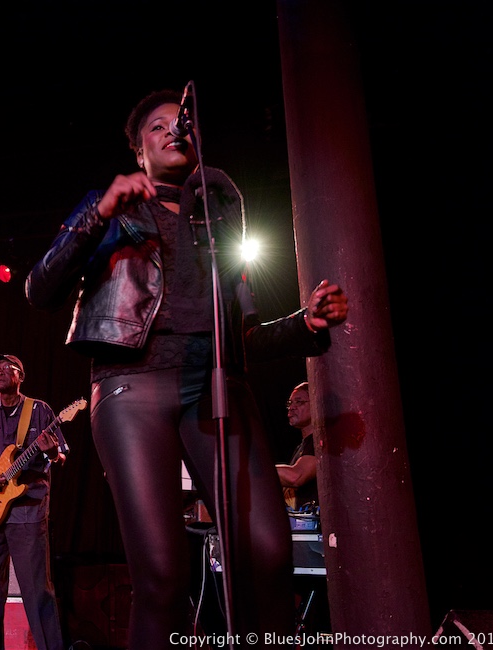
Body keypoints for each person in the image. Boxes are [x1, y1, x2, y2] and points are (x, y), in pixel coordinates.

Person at [25, 88, 349, 647]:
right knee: (163, 576)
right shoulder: (112, 213)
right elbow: (40, 289)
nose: (174, 129)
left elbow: (245, 336)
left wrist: (307, 324)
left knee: (268, 553)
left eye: (181, 121)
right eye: (157, 126)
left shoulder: (218, 219)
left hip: (218, 386)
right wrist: (96, 211)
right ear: (138, 153)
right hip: (131, 388)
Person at [0, 354, 68, 650]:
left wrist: (53, 451)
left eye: (6, 369)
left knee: (36, 592)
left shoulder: (40, 411)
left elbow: (61, 457)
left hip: (28, 512)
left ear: (21, 376)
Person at [277, 382, 319, 511]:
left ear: (315, 405)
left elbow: (296, 476)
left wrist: (253, 471)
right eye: (290, 403)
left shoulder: (318, 442)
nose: (292, 407)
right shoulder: (301, 447)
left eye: (299, 402)